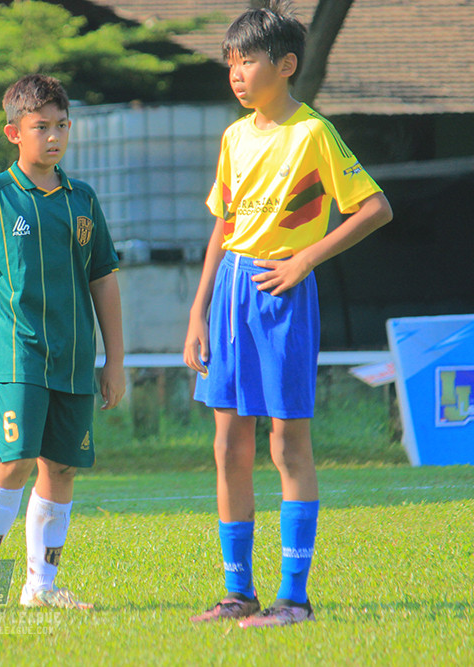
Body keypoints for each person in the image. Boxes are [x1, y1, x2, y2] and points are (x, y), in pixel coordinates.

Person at [184, 2, 392, 628]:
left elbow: (374, 208)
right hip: (229, 293)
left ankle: (293, 600)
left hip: (280, 295)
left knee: (286, 443)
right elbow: (224, 223)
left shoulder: (313, 133)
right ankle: (237, 594)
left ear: (286, 64)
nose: (236, 73)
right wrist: (198, 310)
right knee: (228, 444)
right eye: (230, 62)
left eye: (246, 61)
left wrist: (306, 260)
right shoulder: (233, 137)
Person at [0, 74, 125, 610]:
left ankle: (41, 587)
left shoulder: (82, 199)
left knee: (60, 466)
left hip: (74, 355)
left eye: (63, 125)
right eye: (42, 126)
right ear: (14, 132)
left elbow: (103, 279)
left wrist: (115, 360)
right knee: (15, 457)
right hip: (15, 349)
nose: (55, 136)